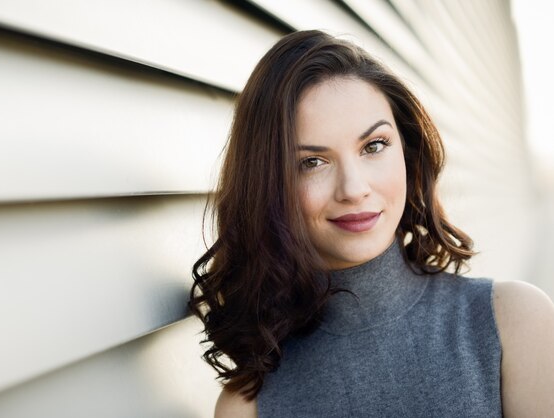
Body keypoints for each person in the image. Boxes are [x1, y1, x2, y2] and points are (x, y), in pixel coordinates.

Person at [188, 30, 554, 417]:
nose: (354, 188)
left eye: (373, 146)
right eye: (312, 162)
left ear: (408, 153)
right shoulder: (247, 407)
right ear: (269, 185)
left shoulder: (513, 322)